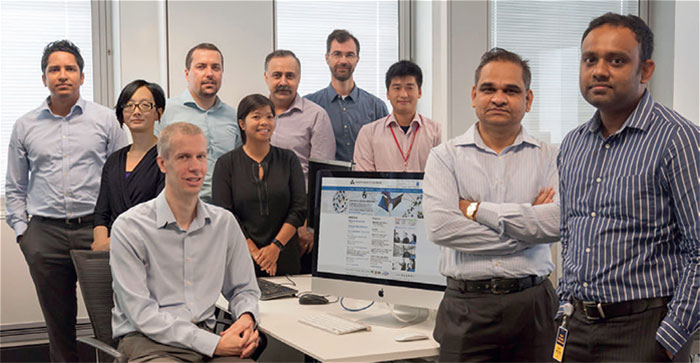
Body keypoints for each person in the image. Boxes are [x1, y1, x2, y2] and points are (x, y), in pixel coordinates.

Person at [557, 13, 699, 362]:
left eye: (616, 60)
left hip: (644, 331)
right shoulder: (572, 145)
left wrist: (672, 335)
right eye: (590, 59)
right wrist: (563, 305)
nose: (600, 70)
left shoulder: (677, 140)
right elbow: (570, 235)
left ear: (645, 70)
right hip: (576, 329)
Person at [423, 48, 560, 362]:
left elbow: (556, 224)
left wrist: (474, 210)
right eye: (489, 89)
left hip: (534, 306)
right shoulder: (445, 157)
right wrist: (528, 229)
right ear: (474, 95)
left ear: (528, 100)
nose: (499, 98)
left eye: (511, 90)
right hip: (466, 308)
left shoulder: (551, 157)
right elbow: (442, 228)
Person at [4, 40, 128, 361]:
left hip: (96, 231)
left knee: (112, 318)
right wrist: (23, 233)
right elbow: (15, 187)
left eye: (69, 69)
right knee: (59, 325)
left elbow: (121, 181)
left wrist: (115, 230)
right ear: (44, 78)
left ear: (82, 76)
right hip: (45, 236)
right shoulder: (25, 126)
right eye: (54, 69)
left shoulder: (106, 121)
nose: (62, 75)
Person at [110, 122, 262, 361]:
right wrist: (214, 344)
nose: (195, 167)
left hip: (207, 336)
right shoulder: (130, 227)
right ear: (163, 164)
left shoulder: (224, 223)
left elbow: (243, 289)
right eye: (183, 157)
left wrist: (246, 319)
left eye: (201, 156)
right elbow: (142, 314)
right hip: (149, 341)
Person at [212, 94, 306, 277]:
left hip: (284, 257)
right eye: (256, 116)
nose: (265, 122)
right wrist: (256, 253)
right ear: (242, 124)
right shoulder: (226, 164)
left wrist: (275, 248)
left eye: (269, 116)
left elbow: (299, 209)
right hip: (241, 258)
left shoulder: (289, 159)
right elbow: (225, 214)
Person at [264, 49, 335, 262]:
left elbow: (321, 177)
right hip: (259, 219)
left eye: (290, 75)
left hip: (298, 222)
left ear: (299, 78)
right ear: (266, 77)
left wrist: (309, 226)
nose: (283, 81)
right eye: (277, 75)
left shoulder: (316, 116)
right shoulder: (252, 115)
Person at [155, 43, 241, 202]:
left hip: (225, 210)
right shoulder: (164, 113)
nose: (209, 74)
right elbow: (152, 168)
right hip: (180, 208)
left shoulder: (234, 117)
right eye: (201, 67)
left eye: (216, 68)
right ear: (187, 74)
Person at [92, 79, 166, 251]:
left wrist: (115, 241)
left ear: (158, 113)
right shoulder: (114, 160)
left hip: (153, 248)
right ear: (122, 114)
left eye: (145, 105)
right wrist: (101, 243)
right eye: (129, 105)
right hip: (112, 251)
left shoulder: (167, 157)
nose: (136, 111)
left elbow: (161, 213)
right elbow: (101, 213)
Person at [305, 29, 389, 162]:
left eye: (349, 55)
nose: (343, 61)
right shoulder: (310, 105)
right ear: (327, 58)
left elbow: (385, 153)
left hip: (367, 181)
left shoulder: (376, 106)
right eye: (337, 54)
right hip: (324, 180)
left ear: (357, 59)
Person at [353, 60, 441, 172]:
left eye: (409, 88)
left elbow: (440, 177)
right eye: (397, 88)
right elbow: (365, 181)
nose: (403, 94)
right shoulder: (369, 134)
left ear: (419, 92)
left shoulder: (437, 132)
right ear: (388, 94)